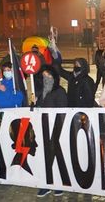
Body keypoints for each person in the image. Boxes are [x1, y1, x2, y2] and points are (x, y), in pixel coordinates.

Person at [35, 66, 67, 198]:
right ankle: (47, 183)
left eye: (48, 76)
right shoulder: (42, 92)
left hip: (56, 128)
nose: (46, 79)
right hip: (44, 127)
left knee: (56, 156)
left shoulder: (59, 91)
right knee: (45, 156)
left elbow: (63, 111)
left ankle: (59, 184)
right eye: (43, 76)